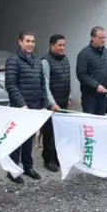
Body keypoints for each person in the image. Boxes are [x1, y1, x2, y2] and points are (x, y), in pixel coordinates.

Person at [5, 31, 48, 183]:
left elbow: (42, 83)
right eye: (27, 41)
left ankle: (28, 167)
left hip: (35, 107)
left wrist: (44, 102)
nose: (30, 44)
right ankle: (13, 169)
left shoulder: (37, 60)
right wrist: (22, 103)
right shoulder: (13, 60)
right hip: (20, 107)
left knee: (29, 139)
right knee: (17, 140)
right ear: (20, 42)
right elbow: (10, 84)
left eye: (33, 41)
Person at [40, 34, 71, 173]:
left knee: (61, 131)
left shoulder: (65, 59)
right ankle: (48, 159)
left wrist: (69, 97)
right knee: (49, 132)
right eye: (59, 45)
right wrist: (52, 103)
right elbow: (45, 85)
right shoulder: (46, 61)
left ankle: (59, 157)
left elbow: (67, 80)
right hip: (52, 103)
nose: (62, 48)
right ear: (52, 45)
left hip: (63, 101)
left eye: (64, 45)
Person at [76, 26, 107, 115]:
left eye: (104, 37)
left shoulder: (106, 52)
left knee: (100, 122)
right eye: (100, 38)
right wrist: (96, 86)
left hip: (103, 95)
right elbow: (81, 75)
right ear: (92, 38)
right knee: (90, 122)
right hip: (90, 96)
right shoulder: (84, 54)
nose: (103, 40)